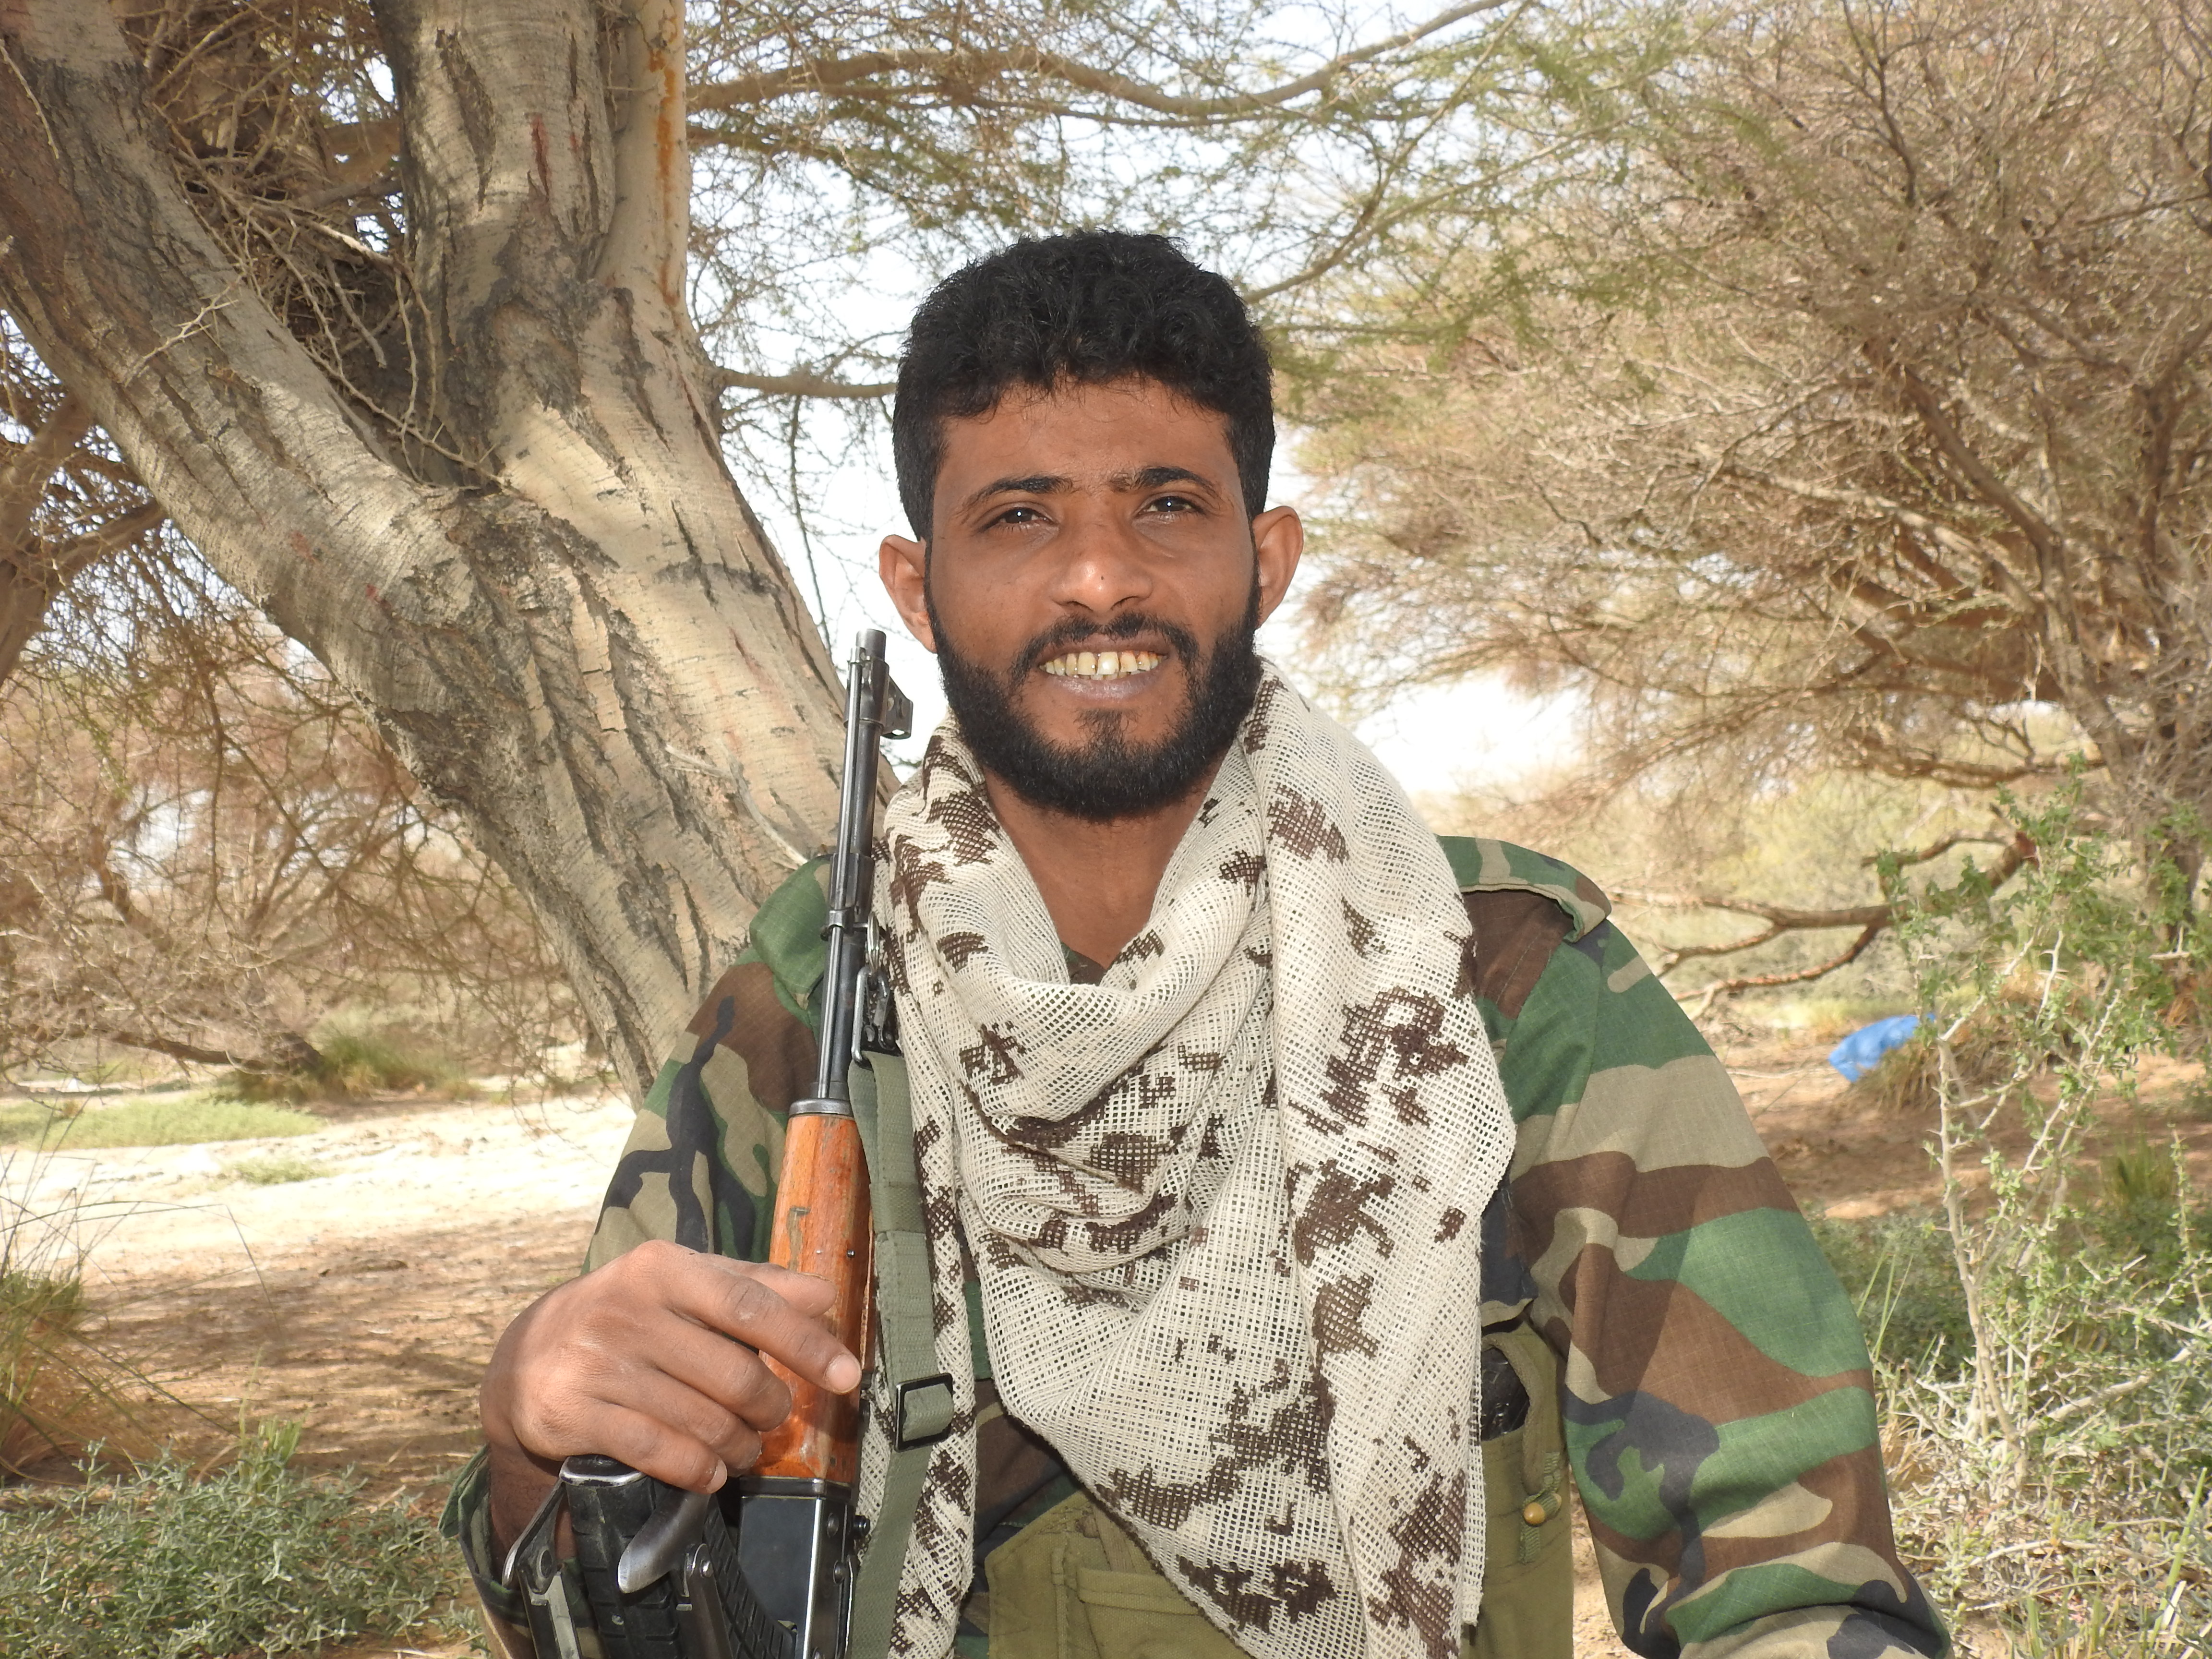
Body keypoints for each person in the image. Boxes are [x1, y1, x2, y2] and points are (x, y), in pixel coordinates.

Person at [445, 231, 1950, 1659]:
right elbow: (598, 1597)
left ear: (1266, 559)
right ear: (917, 588)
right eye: (1020, 516)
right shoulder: (818, 996)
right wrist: (535, 1425)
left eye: (1166, 505)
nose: (1101, 577)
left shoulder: (1485, 967)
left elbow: (1785, 1558)